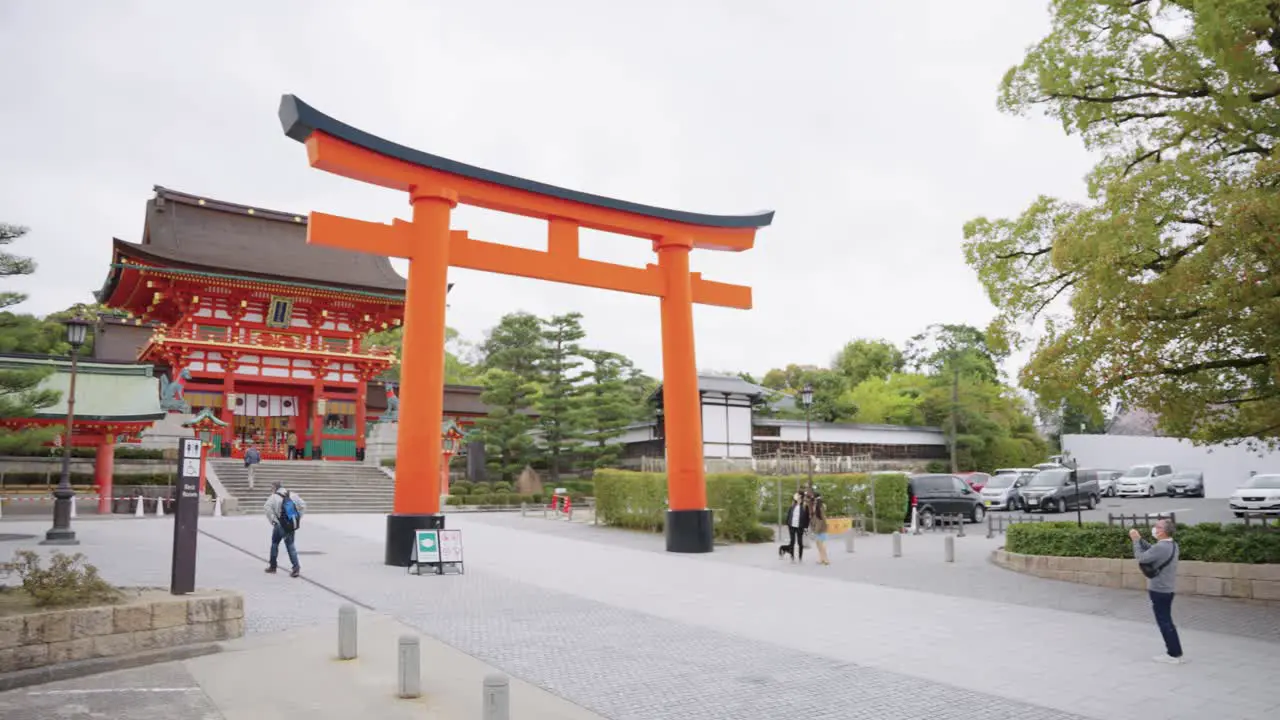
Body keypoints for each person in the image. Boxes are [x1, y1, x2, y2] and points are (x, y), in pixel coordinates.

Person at [1130, 519, 1183, 664]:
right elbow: (1152, 550)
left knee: (1164, 621)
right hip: (1168, 589)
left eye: (1157, 526)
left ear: (1163, 531)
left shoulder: (1162, 547)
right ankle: (1176, 652)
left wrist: (1135, 541)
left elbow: (1141, 558)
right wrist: (1141, 540)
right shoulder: (1171, 544)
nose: (1154, 528)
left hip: (1159, 589)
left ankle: (1173, 655)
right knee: (1167, 620)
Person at [264, 480, 306, 578]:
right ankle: (296, 568)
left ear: (275, 488)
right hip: (290, 525)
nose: (271, 489)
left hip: (279, 525)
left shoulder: (273, 497)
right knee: (291, 546)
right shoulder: (292, 495)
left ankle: (273, 566)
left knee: (274, 544)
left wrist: (274, 521)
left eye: (271, 488)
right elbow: (303, 505)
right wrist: (297, 517)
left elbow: (267, 508)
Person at [785, 491, 810, 563]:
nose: (795, 495)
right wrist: (787, 523)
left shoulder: (805, 506)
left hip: (800, 526)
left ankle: (800, 557)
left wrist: (806, 527)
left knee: (800, 542)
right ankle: (792, 557)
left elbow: (807, 518)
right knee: (792, 541)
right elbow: (789, 514)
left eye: (797, 494)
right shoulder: (793, 504)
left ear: (800, 496)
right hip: (791, 526)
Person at [810, 493, 830, 566]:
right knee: (820, 542)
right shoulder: (822, 505)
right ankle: (822, 558)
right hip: (823, 525)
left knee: (820, 543)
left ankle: (825, 559)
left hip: (820, 526)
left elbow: (818, 518)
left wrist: (815, 529)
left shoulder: (817, 506)